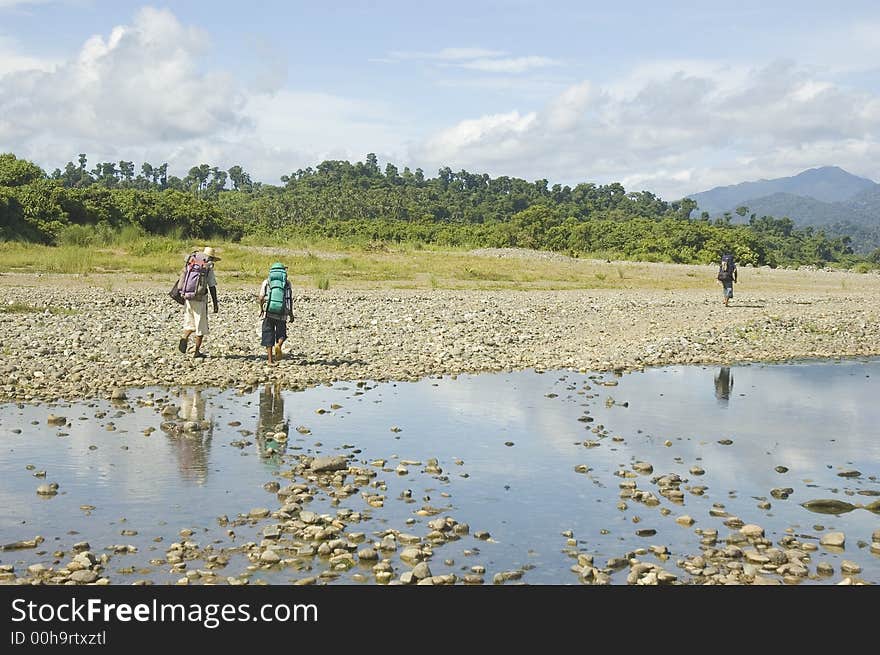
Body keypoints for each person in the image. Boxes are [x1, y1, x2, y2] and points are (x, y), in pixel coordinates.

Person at [178, 246, 220, 359]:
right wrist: (215, 303)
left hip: (187, 296)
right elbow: (212, 286)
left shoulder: (192, 261)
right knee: (200, 326)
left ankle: (184, 337)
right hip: (200, 299)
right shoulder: (207, 266)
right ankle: (197, 351)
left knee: (190, 323)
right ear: (211, 257)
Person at [258, 262, 294, 365]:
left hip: (269, 313)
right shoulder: (287, 283)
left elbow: (261, 298)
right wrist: (291, 314)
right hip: (282, 313)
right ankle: (279, 344)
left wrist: (261, 309)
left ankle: (270, 360)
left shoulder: (267, 282)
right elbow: (289, 299)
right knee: (281, 333)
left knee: (268, 334)